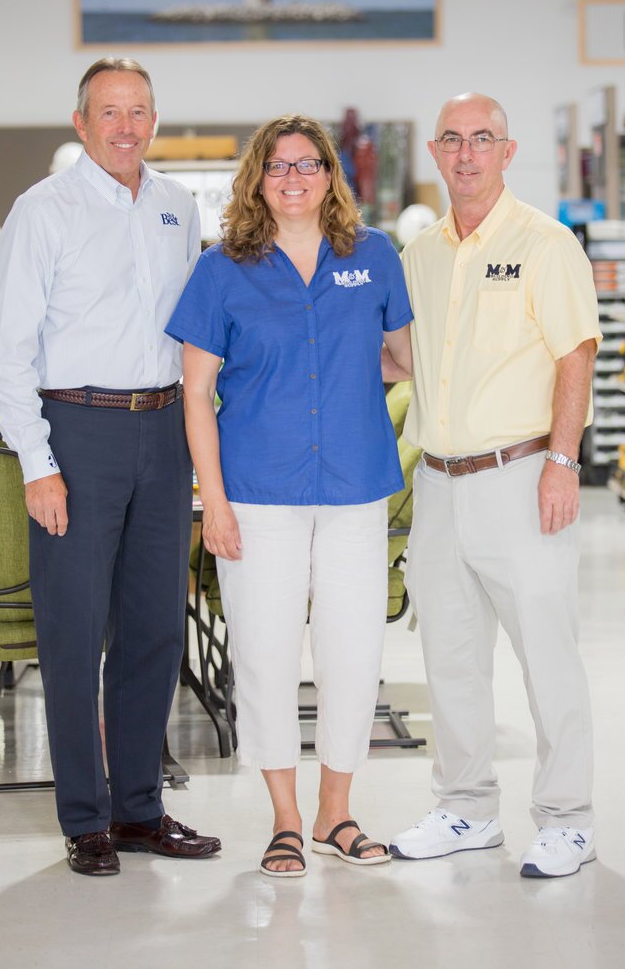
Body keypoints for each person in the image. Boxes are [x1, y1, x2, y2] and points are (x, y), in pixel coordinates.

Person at [0, 57, 221, 876]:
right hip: (76, 432)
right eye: (110, 111)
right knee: (75, 633)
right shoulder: (42, 211)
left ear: (154, 121)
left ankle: (140, 811)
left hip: (162, 434)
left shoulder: (176, 207)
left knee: (155, 630)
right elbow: (5, 352)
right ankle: (84, 817)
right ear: (82, 123)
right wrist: (38, 465)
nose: (127, 125)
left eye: (140, 110)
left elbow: (192, 332)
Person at [166, 114, 414, 877]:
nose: (294, 177)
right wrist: (214, 501)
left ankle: (335, 814)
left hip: (352, 489)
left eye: (308, 164)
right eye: (278, 167)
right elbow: (196, 391)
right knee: (266, 656)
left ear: (331, 176)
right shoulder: (220, 269)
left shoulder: (373, 257)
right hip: (257, 496)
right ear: (257, 180)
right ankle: (282, 820)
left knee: (351, 653)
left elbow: (403, 358)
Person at [384, 93, 601, 879]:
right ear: (435, 154)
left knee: (547, 655)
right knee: (450, 656)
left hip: (520, 477)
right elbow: (406, 362)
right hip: (439, 486)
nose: (467, 153)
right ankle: (466, 807)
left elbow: (574, 355)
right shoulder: (420, 255)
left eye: (483, 139)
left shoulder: (544, 243)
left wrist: (562, 462)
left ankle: (568, 819)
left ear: (506, 153)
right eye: (452, 139)